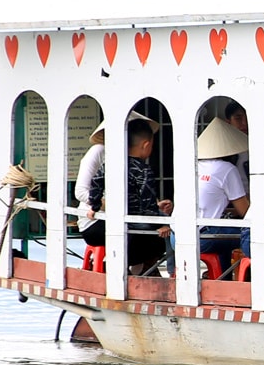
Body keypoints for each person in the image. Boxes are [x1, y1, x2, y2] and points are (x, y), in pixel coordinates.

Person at [80, 115, 171, 273]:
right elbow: (148, 205)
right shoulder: (143, 170)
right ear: (146, 145)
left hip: (107, 219)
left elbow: (96, 184)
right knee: (162, 238)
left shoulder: (111, 164)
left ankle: (128, 267)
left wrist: (94, 206)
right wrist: (161, 223)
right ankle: (135, 269)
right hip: (125, 222)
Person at [193, 119, 250, 261]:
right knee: (251, 235)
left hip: (177, 237)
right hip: (202, 238)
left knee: (223, 233)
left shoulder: (193, 166)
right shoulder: (227, 169)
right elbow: (246, 212)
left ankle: (219, 276)